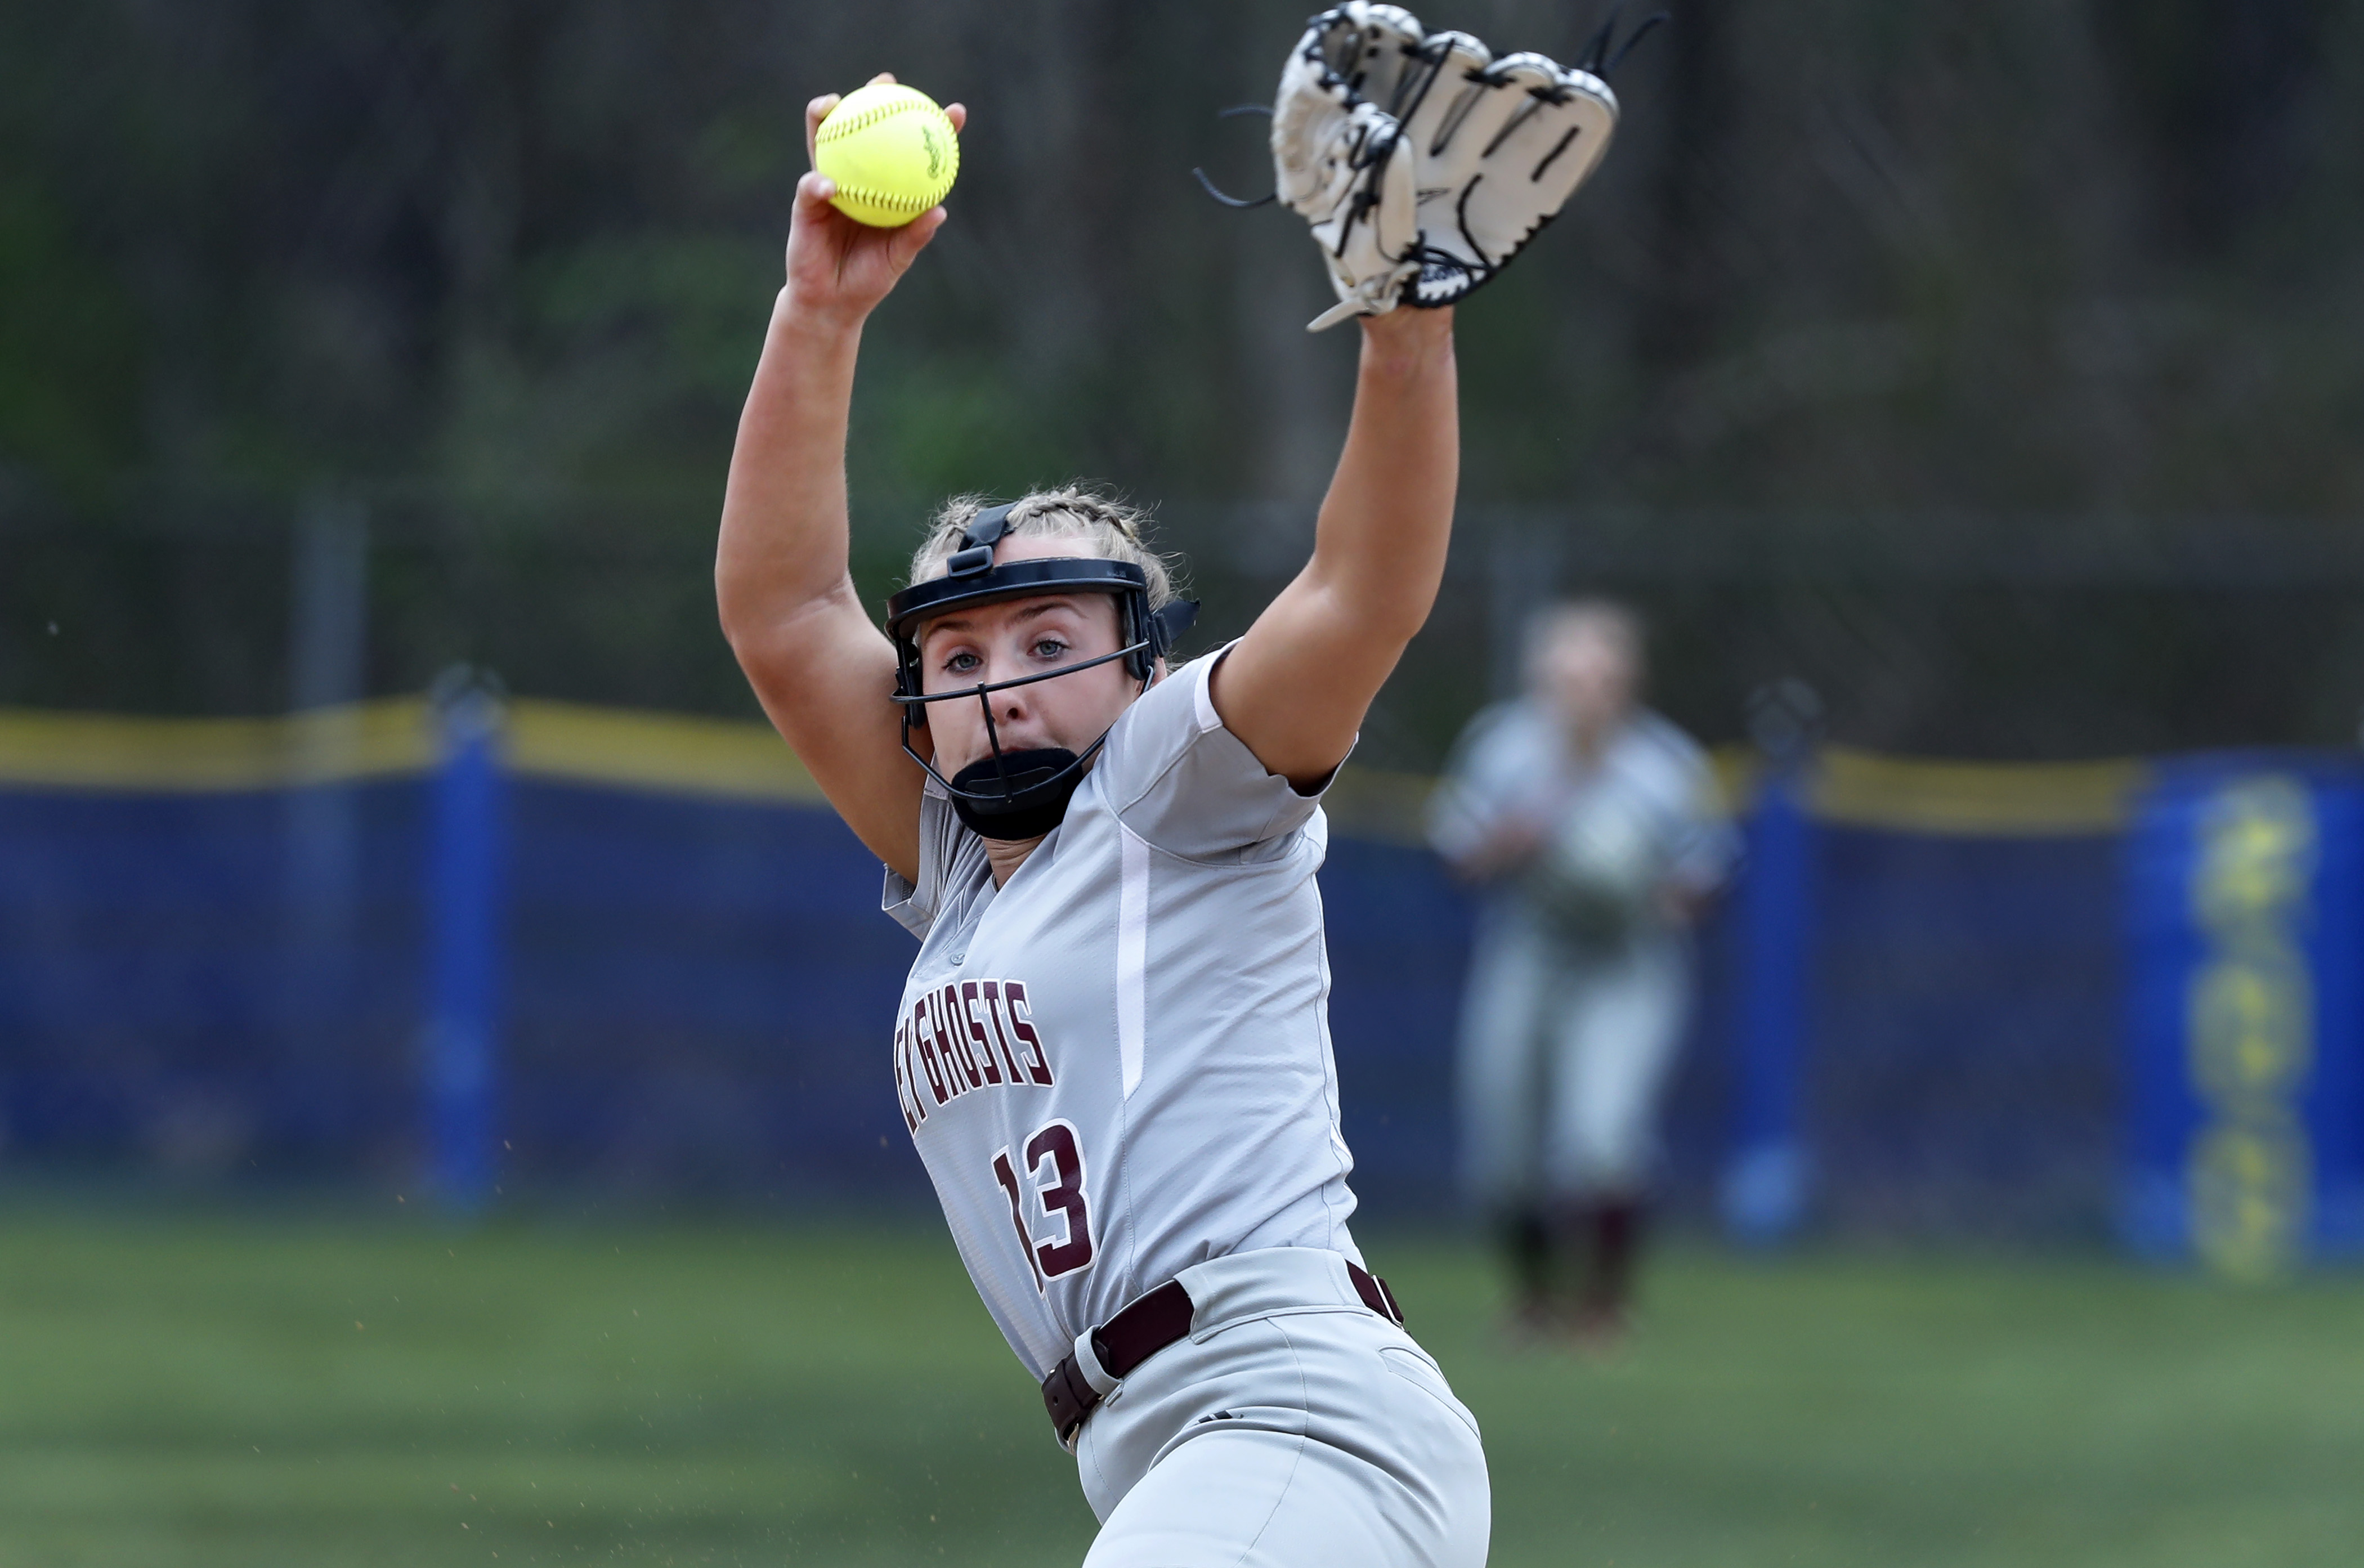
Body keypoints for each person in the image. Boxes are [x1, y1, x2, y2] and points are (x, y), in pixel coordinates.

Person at [714, 75, 1488, 1568]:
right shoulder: (955, 871)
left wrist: (1409, 325)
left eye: (1049, 638)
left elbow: (1362, 593)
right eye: (959, 654)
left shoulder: (1174, 785)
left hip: (1295, 1416)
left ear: (1142, 668)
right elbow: (781, 609)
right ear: (919, 708)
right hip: (1166, 1455)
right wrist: (818, 311)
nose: (1003, 681)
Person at [1427, 601, 1736, 1347]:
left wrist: (1661, 890)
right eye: (1566, 675)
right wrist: (1519, 835)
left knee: (1603, 1136)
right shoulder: (1504, 750)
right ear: (1540, 680)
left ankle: (1605, 1307)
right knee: (1506, 1137)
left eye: (1600, 676)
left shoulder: (1663, 766)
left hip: (1626, 961)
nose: (1583, 692)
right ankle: (1533, 1302)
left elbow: (1706, 873)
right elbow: (1458, 857)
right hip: (1527, 951)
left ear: (1628, 682)